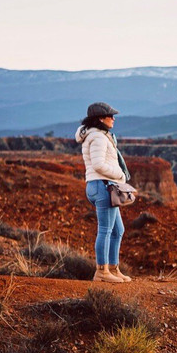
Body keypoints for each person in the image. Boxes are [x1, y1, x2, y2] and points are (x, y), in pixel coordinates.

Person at [75, 102, 132, 282]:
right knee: (106, 230)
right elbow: (98, 164)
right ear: (101, 118)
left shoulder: (99, 135)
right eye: (110, 116)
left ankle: (113, 269)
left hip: (100, 185)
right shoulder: (98, 137)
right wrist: (120, 175)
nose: (114, 119)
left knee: (118, 230)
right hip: (103, 186)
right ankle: (102, 272)